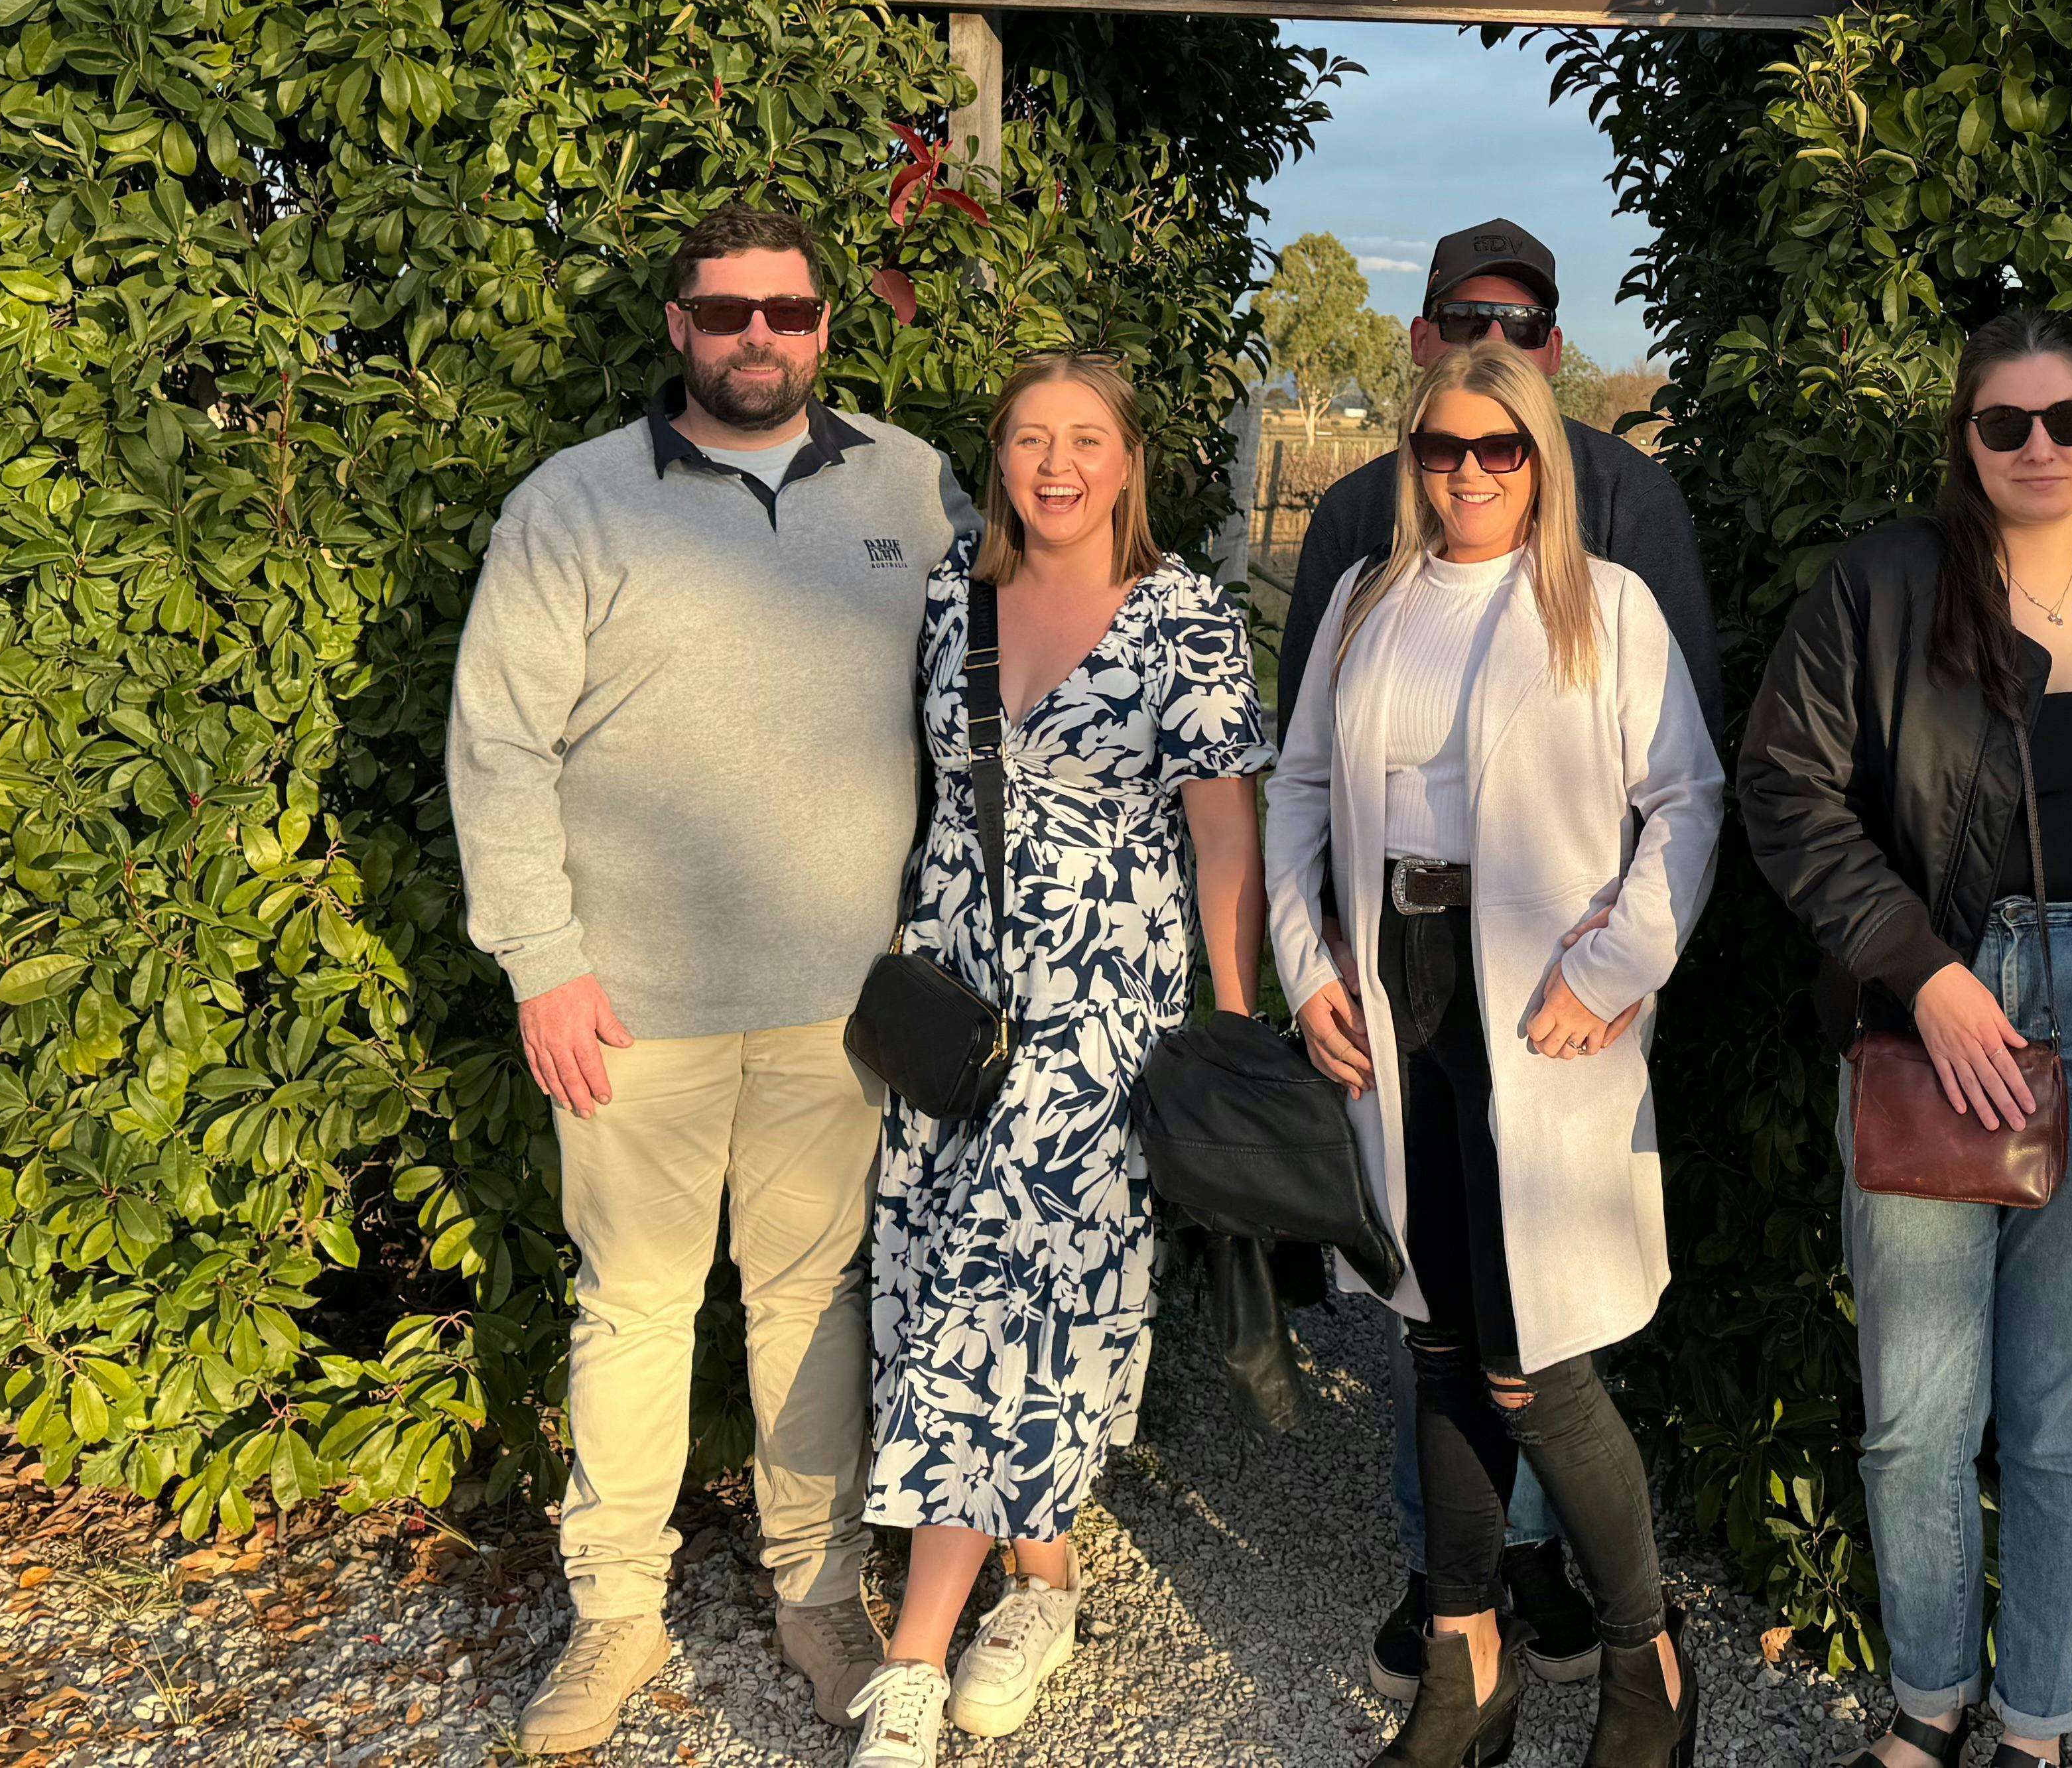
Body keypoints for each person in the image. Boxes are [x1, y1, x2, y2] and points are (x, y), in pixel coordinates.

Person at [446, 198, 976, 1752]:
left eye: (791, 312)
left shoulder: (911, 485)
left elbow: (984, 700)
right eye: (730, 311)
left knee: (816, 1304)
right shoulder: (575, 504)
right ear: (678, 326)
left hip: (840, 1006)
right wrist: (541, 966)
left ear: (827, 326)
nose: (763, 336)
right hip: (631, 1010)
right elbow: (498, 746)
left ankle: (818, 1599)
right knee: (635, 1308)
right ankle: (615, 1614)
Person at [1738, 306, 2072, 1768]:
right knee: (1917, 1416)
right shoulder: (1886, 587)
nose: (2042, 448)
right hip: (1937, 1009)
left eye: (2071, 419)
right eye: (2007, 424)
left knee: (2069, 1416)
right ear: (1965, 441)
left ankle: (2038, 1731)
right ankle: (1929, 1708)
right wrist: (1922, 971)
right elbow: (1785, 790)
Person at [1267, 342, 1727, 1768]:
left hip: (1535, 1002)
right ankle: (1466, 1671)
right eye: (1439, 450)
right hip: (1392, 992)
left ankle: (1648, 1657)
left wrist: (1616, 968)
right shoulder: (1363, 599)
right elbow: (1295, 792)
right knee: (1439, 1343)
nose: (1466, 473)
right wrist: (1303, 968)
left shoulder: (1605, 605)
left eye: (1498, 450)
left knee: (1537, 1366)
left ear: (1541, 460)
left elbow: (1689, 802)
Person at [841, 353, 1273, 1766]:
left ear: (1130, 459)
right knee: (960, 1281)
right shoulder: (954, 604)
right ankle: (1045, 1583)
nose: (1055, 462)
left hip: (1103, 1012)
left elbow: (1223, 833)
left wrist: (1227, 1020)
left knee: (995, 1293)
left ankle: (908, 1663)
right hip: (953, 1008)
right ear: (1001, 457)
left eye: (1084, 438)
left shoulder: (1188, 621)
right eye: (1029, 437)